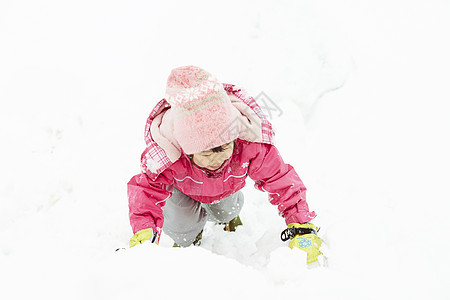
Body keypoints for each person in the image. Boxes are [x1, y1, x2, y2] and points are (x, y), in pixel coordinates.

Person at [127, 65, 323, 264]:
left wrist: (301, 226)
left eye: (224, 147)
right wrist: (144, 232)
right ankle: (189, 238)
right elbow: (146, 192)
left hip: (227, 184)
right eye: (206, 152)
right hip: (182, 189)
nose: (217, 158)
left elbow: (281, 180)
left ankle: (228, 217)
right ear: (188, 149)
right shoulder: (168, 154)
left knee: (227, 209)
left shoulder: (248, 145)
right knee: (181, 225)